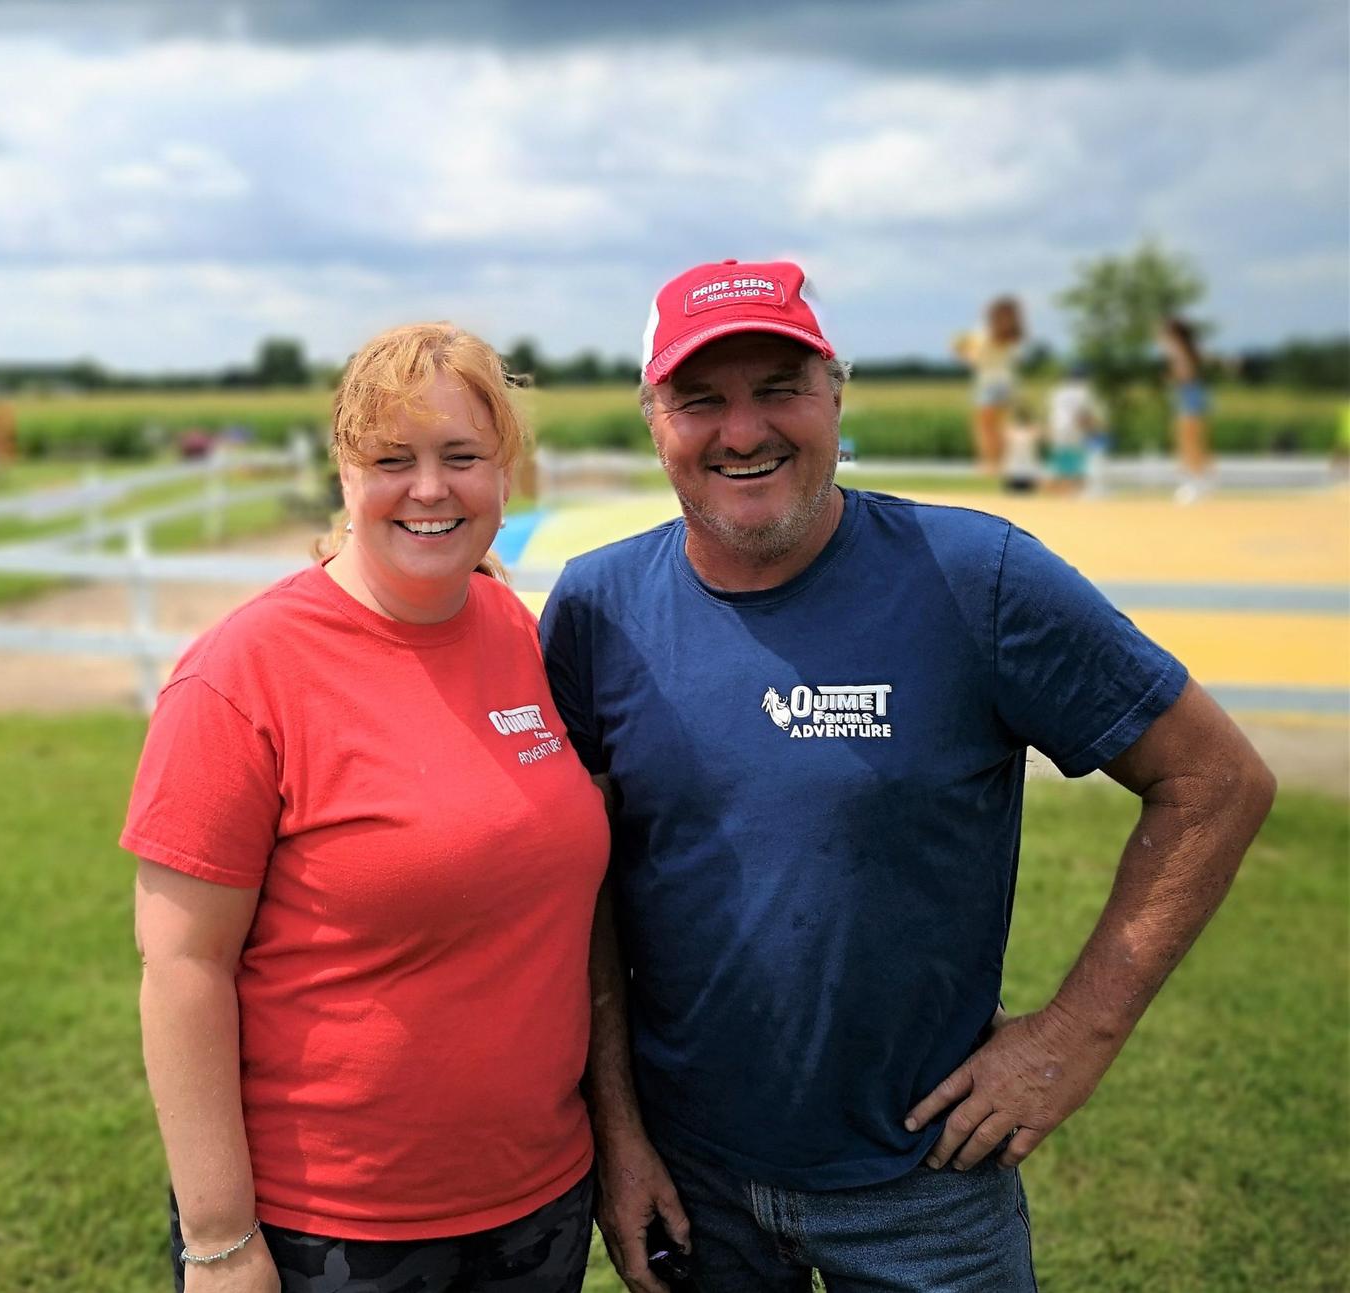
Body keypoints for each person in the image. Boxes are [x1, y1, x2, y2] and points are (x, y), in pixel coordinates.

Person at [542, 258, 1276, 1293]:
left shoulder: (975, 577)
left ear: (836, 396)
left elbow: (1216, 781)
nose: (742, 432)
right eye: (699, 400)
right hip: (689, 1176)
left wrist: (1074, 1035)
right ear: (653, 422)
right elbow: (581, 894)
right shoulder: (595, 609)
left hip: (926, 1186)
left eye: (779, 389)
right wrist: (618, 1133)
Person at [125, 322, 609, 1292]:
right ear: (344, 471)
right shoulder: (241, 674)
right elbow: (182, 967)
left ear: (503, 472)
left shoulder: (517, 632)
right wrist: (218, 1240)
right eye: (393, 459)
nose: (429, 489)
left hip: (539, 1201)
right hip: (333, 1230)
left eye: (460, 456)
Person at [953, 296, 1025, 475]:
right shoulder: (1014, 336)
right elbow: (1015, 359)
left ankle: (989, 464)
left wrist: (961, 352)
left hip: (987, 382)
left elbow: (975, 359)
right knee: (1001, 428)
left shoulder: (984, 333)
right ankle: (1003, 463)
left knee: (984, 428)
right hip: (1008, 383)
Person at [1161, 316, 1212, 502]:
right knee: (1194, 442)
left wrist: (1171, 377)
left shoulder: (1179, 351)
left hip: (1188, 397)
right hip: (1193, 396)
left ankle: (1194, 483)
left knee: (1187, 442)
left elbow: (1185, 374)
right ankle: (1200, 482)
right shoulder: (1189, 349)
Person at [1046, 361, 1106, 497]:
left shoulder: (1058, 391)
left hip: (1057, 428)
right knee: (1077, 461)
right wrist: (1095, 429)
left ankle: (1058, 492)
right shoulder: (1083, 391)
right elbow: (1083, 415)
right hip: (1074, 428)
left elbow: (1054, 413)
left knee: (1060, 461)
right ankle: (1075, 492)